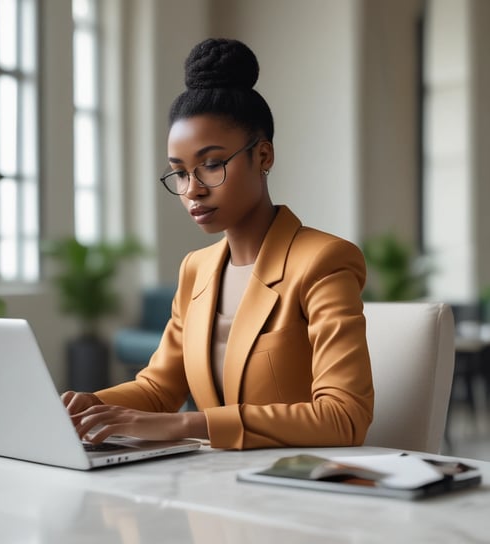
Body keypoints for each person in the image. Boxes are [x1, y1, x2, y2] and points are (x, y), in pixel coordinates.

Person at [62, 38, 374, 450]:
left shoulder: (323, 261)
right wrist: (88, 406)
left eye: (211, 165)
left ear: (263, 156)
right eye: (180, 173)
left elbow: (343, 417)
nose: (193, 190)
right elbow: (158, 390)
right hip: (212, 487)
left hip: (295, 493)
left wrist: (187, 426)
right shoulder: (196, 269)